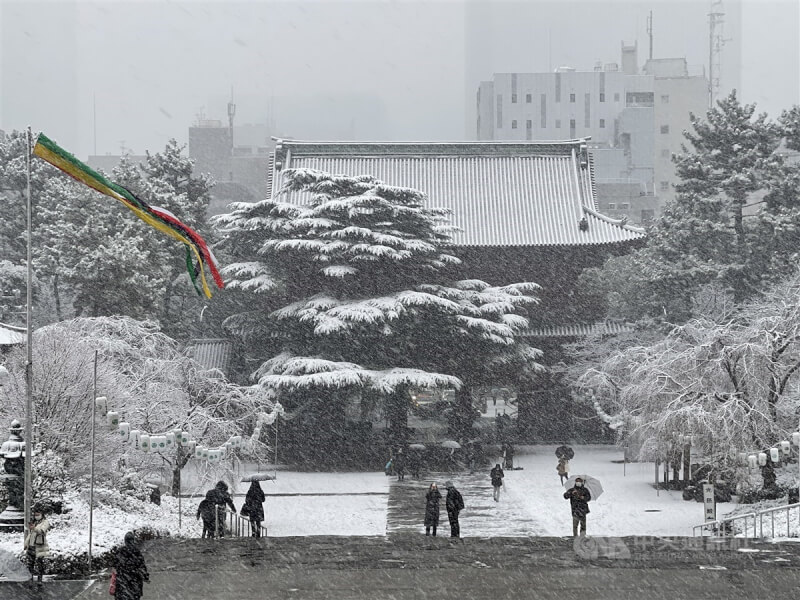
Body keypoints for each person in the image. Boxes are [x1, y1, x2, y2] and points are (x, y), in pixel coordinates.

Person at [112, 531, 150, 600]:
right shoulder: (137, 552)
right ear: (133, 541)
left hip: (121, 585)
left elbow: (114, 565)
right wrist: (145, 577)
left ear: (125, 541)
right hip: (134, 585)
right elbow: (142, 566)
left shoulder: (120, 551)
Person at [23, 505, 49, 585]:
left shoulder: (45, 522)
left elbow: (42, 531)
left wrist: (34, 528)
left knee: (39, 563)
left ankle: (39, 579)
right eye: (35, 515)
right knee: (30, 564)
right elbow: (30, 535)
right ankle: (30, 579)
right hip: (31, 546)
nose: (36, 516)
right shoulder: (34, 522)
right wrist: (26, 544)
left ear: (42, 514)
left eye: (38, 514)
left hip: (39, 546)